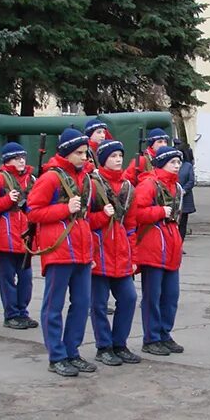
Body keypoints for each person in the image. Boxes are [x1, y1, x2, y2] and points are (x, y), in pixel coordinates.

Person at [27, 128, 97, 377]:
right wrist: (64, 209)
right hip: (58, 248)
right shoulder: (50, 178)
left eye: (86, 152)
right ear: (67, 153)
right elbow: (33, 211)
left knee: (81, 304)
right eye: (79, 153)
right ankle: (56, 356)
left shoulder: (85, 178)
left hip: (81, 250)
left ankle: (72, 351)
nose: (85, 157)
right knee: (53, 305)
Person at [86, 139, 141, 365]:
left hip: (121, 252)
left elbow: (131, 224)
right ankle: (104, 346)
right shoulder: (91, 184)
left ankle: (120, 343)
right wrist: (102, 216)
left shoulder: (128, 187)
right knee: (98, 304)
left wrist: (133, 256)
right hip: (98, 251)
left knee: (129, 298)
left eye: (120, 156)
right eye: (113, 156)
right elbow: (82, 220)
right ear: (103, 159)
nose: (118, 160)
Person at [133, 144, 186, 355]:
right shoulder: (149, 184)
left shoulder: (176, 187)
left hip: (170, 247)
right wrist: (159, 211)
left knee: (171, 296)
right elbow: (135, 212)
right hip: (152, 248)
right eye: (172, 162)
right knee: (153, 297)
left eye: (178, 162)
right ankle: (151, 337)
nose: (176, 166)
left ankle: (165, 333)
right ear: (162, 163)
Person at [0, 142, 38, 330]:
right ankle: (11, 314)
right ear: (7, 160)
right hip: (4, 238)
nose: (21, 161)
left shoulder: (32, 180)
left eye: (22, 157)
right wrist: (7, 200)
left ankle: (23, 312)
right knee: (7, 280)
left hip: (25, 238)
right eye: (16, 158)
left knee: (26, 279)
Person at [177, 147, 196, 243]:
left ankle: (180, 243)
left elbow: (191, 180)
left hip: (185, 197)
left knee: (183, 224)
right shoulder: (171, 165)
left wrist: (184, 190)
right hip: (174, 198)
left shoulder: (187, 166)